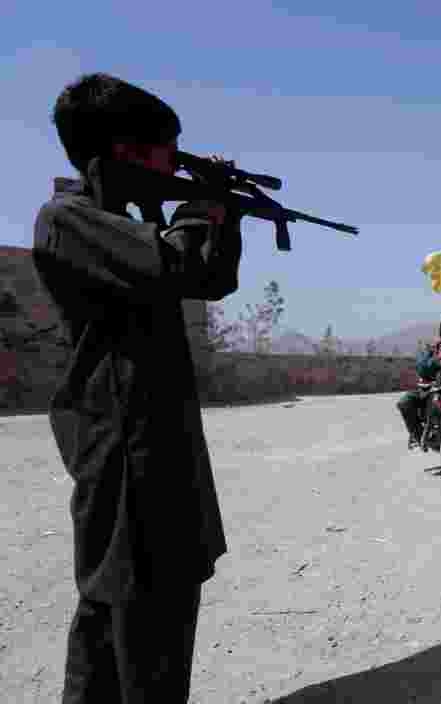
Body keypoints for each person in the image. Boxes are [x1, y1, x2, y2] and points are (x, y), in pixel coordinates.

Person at [31, 74, 243, 703]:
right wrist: (201, 205)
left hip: (151, 437)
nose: (173, 165)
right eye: (166, 153)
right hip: (124, 444)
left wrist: (217, 211)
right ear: (122, 151)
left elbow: (207, 276)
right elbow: (176, 262)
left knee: (119, 611)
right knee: (141, 611)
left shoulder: (117, 222)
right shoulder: (68, 219)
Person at [397, 317, 441, 449]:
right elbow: (421, 368)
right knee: (404, 403)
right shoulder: (431, 350)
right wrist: (436, 360)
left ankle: (440, 432)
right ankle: (417, 435)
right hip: (424, 390)